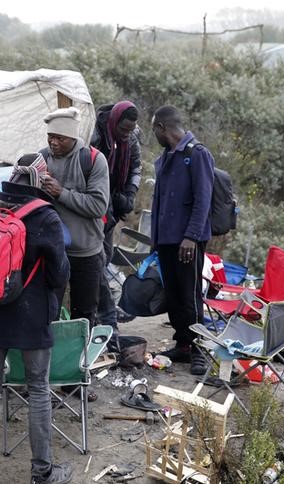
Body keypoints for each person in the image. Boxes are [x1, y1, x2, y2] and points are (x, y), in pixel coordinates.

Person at [0, 154, 73, 484]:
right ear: (41, 180)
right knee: (38, 390)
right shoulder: (45, 216)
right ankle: (42, 473)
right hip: (32, 315)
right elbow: (59, 275)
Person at [150, 105, 214, 375]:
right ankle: (183, 345)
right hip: (165, 240)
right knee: (174, 295)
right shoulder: (167, 157)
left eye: (155, 129)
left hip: (188, 241)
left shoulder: (197, 154)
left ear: (163, 127)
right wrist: (155, 241)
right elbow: (160, 201)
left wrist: (191, 237)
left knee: (190, 296)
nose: (154, 135)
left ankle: (199, 349)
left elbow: (203, 200)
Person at [40, 107, 109, 325]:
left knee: (84, 313)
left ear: (72, 137)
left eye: (59, 138)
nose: (53, 143)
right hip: (53, 250)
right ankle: (50, 358)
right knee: (47, 311)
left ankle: (79, 357)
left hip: (86, 251)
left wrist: (61, 193)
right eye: (50, 137)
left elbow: (98, 206)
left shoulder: (93, 160)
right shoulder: (41, 159)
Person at [90, 101, 142, 331]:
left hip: (114, 203)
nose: (126, 134)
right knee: (96, 259)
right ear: (114, 122)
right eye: (123, 129)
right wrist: (106, 203)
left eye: (130, 130)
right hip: (94, 204)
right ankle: (106, 314)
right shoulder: (96, 135)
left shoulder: (130, 138)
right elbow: (91, 173)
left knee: (106, 255)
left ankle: (102, 309)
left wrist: (130, 193)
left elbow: (135, 167)